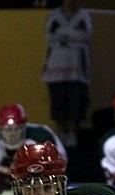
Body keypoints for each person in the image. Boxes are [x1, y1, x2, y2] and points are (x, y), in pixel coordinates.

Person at [0, 103, 66, 194]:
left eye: (16, 129)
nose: (11, 135)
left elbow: (60, 166)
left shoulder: (41, 139)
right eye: (7, 130)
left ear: (24, 127)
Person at [40, 0, 92, 150]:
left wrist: (63, 34)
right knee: (58, 101)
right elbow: (49, 36)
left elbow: (85, 35)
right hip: (56, 67)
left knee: (76, 102)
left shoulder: (84, 15)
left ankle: (72, 134)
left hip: (77, 68)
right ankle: (61, 134)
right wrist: (72, 35)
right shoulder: (55, 15)